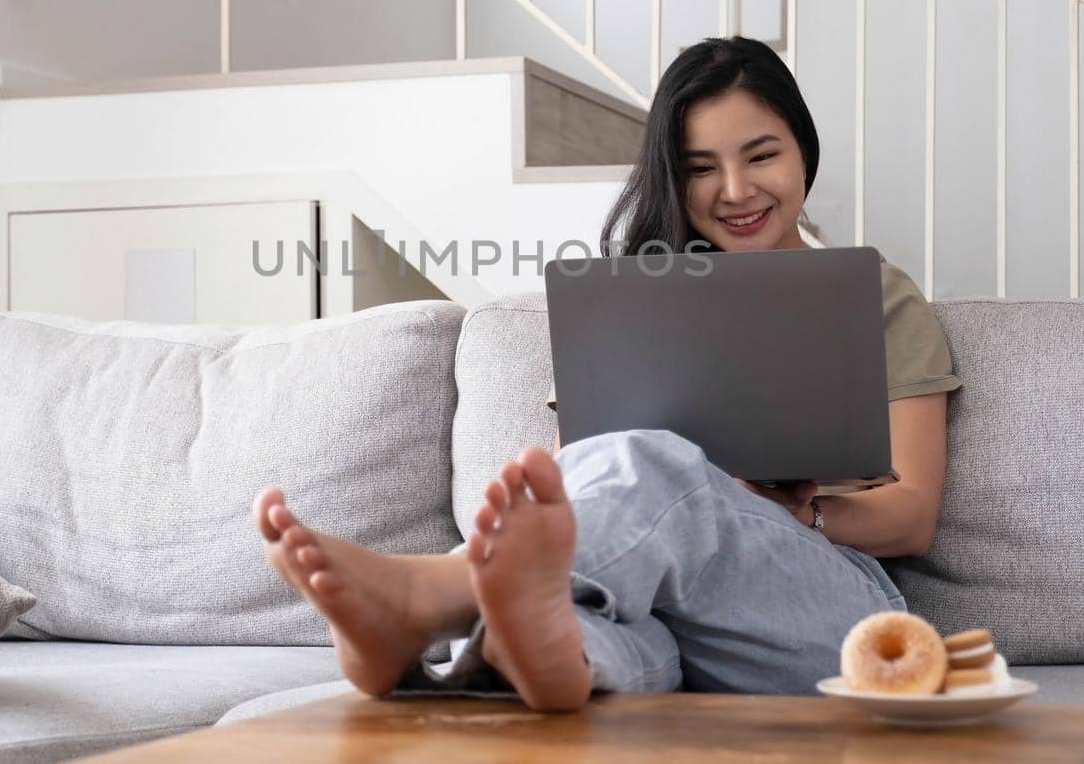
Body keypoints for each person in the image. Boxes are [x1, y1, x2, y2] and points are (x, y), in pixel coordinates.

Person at [253, 36, 961, 710]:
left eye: (760, 155)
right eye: (700, 167)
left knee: (657, 462)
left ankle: (432, 592)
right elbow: (581, 472)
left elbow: (912, 514)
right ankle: (501, 661)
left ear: (802, 148)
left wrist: (789, 508)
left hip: (828, 614)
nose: (736, 188)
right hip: (665, 618)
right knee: (567, 627)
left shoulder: (875, 294)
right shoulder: (637, 301)